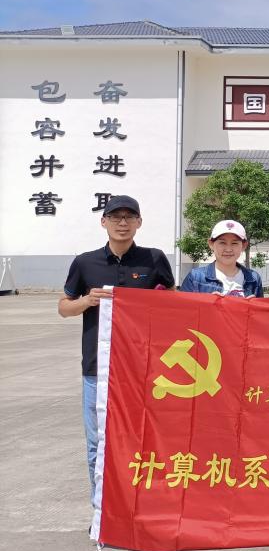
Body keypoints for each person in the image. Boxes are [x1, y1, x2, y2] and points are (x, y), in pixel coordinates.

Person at [58, 195, 175, 508]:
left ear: (139, 222)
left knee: (143, 440)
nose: (122, 223)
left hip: (143, 369)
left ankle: (142, 507)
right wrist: (86, 301)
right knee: (98, 443)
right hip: (97, 369)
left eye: (129, 217)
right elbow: (64, 307)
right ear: (104, 222)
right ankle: (102, 511)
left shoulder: (154, 259)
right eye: (115, 217)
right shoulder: (85, 262)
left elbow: (173, 303)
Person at [180, 220, 263, 297]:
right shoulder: (195, 277)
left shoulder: (254, 279)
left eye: (234, 243)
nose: (228, 249)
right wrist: (208, 303)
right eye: (222, 243)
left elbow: (262, 307)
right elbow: (182, 307)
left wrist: (254, 304)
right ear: (211, 244)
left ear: (244, 246)